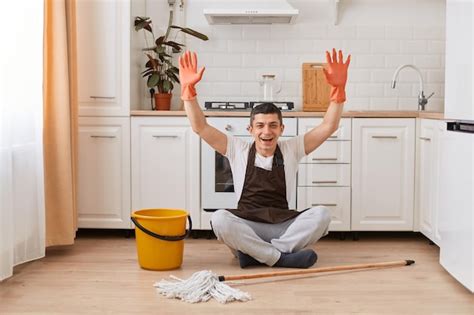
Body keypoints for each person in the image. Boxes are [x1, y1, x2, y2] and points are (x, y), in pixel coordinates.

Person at [179, 49, 351, 269]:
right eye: (260, 125)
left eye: (272, 125)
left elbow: (329, 126)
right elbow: (200, 127)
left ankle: (258, 255)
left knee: (322, 215)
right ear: (251, 130)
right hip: (247, 227)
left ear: (281, 128)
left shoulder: (292, 149)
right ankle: (281, 257)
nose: (266, 131)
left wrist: (338, 90)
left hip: (282, 227)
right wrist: (188, 92)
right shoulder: (237, 149)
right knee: (220, 219)